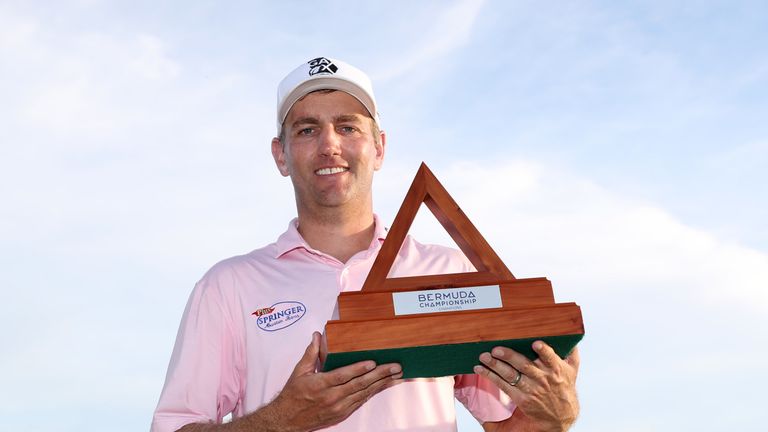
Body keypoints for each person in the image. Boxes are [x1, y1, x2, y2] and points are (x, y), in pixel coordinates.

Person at [151, 57, 580, 432]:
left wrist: (551, 419)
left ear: (379, 147)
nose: (329, 145)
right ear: (280, 155)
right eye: (306, 129)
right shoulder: (229, 287)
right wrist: (281, 419)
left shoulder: (452, 273)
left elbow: (509, 427)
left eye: (347, 126)